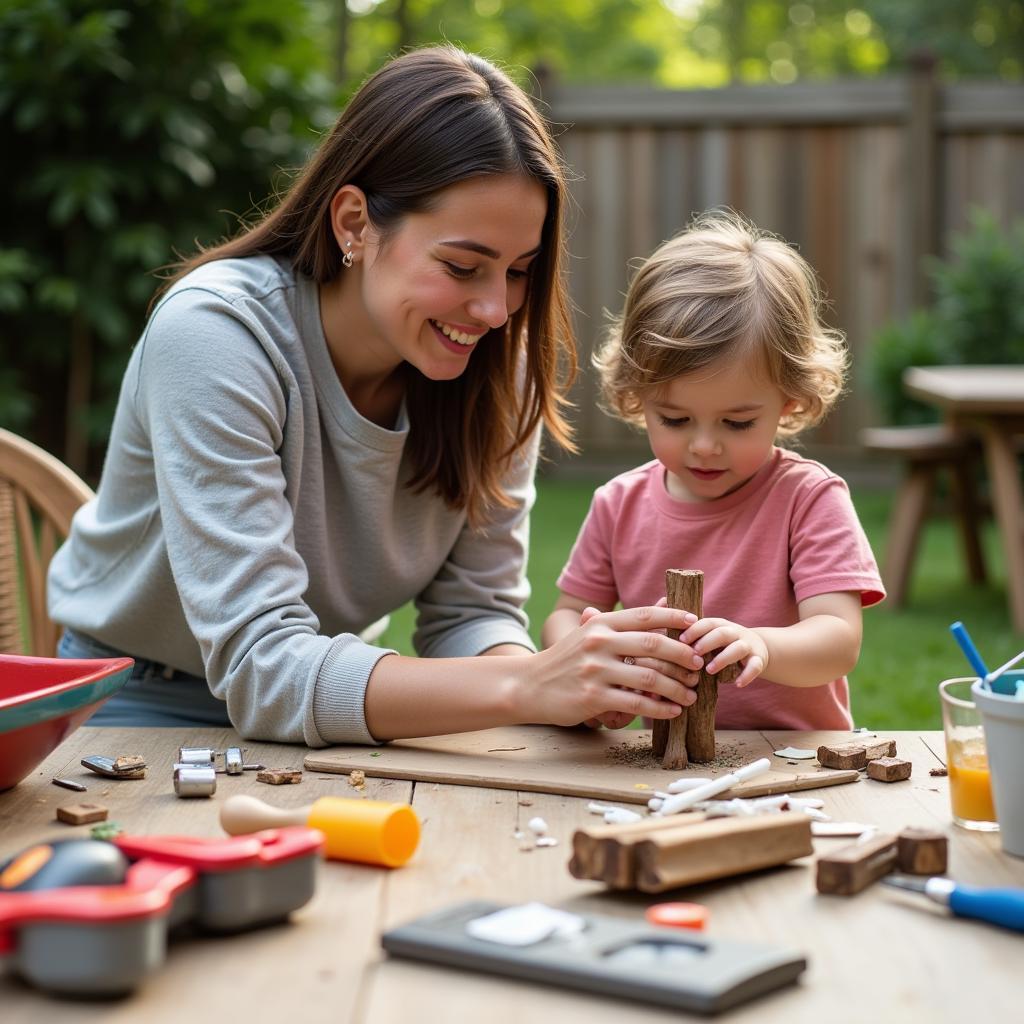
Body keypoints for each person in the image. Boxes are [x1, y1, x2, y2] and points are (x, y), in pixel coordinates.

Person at [49, 46, 699, 745]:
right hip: (134, 712)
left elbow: (469, 612)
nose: (494, 310)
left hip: (340, 714)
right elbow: (262, 668)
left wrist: (570, 687)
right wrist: (531, 683)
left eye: (518, 271)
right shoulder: (216, 335)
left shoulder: (495, 365)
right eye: (462, 266)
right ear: (354, 223)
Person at [542, 212, 885, 731]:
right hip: (663, 764)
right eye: (674, 419)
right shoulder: (618, 502)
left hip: (793, 761)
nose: (704, 446)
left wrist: (759, 643)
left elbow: (838, 640)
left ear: (789, 401)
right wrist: (595, 657)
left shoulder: (808, 498)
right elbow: (566, 614)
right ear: (636, 394)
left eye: (738, 422)